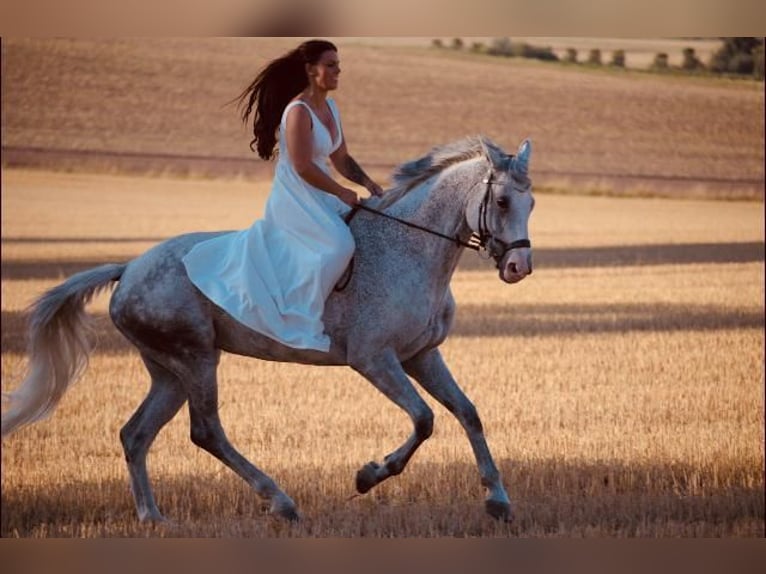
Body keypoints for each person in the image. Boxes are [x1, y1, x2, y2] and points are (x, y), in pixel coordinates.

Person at [182, 39, 383, 352]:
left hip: (322, 193)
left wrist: (368, 183)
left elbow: (341, 158)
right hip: (297, 197)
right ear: (310, 70)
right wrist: (342, 191)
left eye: (337, 64)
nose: (338, 70)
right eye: (330, 65)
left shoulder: (330, 107)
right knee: (338, 246)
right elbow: (302, 167)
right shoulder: (298, 112)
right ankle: (301, 317)